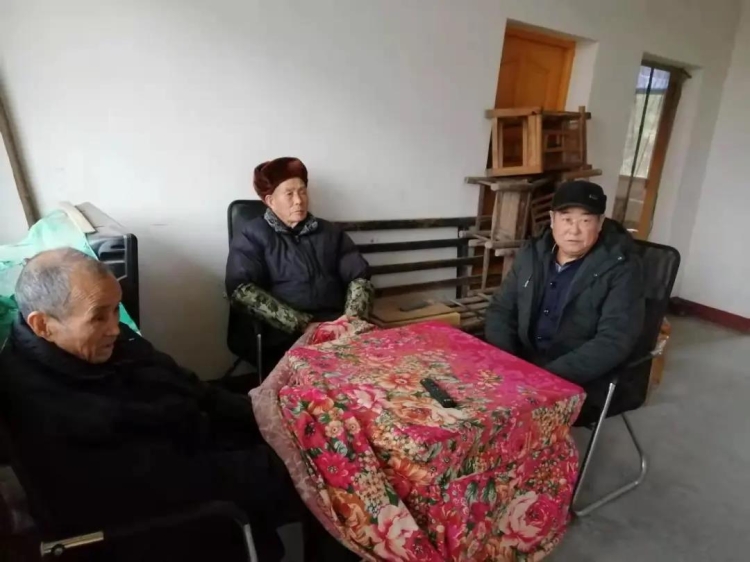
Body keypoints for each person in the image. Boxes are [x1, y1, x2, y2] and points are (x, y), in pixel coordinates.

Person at [0, 248, 358, 561]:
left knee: (325, 430)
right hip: (175, 512)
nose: (115, 328)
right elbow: (170, 480)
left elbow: (194, 388)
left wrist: (272, 417)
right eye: (98, 316)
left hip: (199, 448)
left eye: (116, 309)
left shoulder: (94, 346)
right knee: (336, 471)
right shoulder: (45, 408)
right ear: (43, 325)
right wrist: (291, 458)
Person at [485, 180, 645, 389]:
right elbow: (501, 308)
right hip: (522, 364)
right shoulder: (532, 254)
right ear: (553, 220)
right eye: (566, 219)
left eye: (585, 221)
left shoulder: (622, 267)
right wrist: (506, 360)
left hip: (576, 376)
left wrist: (546, 378)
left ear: (600, 223)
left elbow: (614, 340)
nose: (574, 230)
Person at [225, 156, 373, 370]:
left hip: (338, 324)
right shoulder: (252, 235)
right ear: (270, 201)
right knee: (320, 375)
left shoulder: (330, 232)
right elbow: (241, 289)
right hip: (285, 333)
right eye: (289, 194)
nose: (299, 200)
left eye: (302, 191)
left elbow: (359, 276)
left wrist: (350, 320)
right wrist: (303, 325)